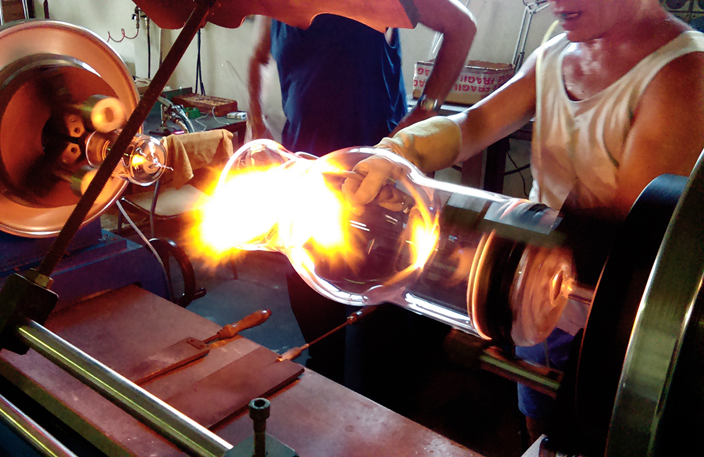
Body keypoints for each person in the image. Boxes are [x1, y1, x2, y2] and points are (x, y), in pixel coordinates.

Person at [345, 0, 704, 443]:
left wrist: (466, 260)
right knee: (537, 419)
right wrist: (401, 150)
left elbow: (621, 236)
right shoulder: (555, 54)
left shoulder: (684, 73)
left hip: (614, 322)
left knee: (588, 432)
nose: (556, 3)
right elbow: (474, 125)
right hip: (535, 297)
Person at [246, 6, 476, 388]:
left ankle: (385, 418)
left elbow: (461, 27)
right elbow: (258, 58)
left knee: (382, 341)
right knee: (316, 316)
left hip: (377, 190)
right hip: (308, 181)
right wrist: (256, 118)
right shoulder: (278, 9)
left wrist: (423, 113)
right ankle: (330, 395)